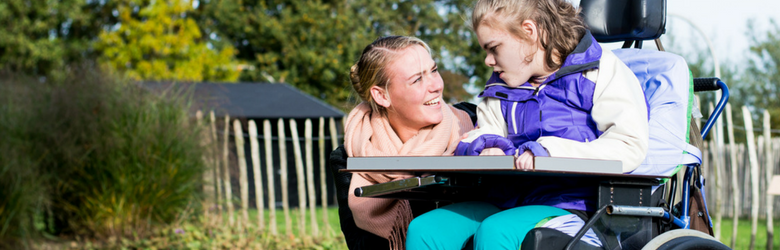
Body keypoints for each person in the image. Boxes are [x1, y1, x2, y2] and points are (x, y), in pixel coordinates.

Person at [406, 0, 649, 249]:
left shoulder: (600, 71)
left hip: (577, 208)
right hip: (507, 201)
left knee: (498, 230)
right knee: (425, 230)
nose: (489, 61)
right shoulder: (499, 87)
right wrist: (486, 147)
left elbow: (629, 146)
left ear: (528, 31)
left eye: (494, 48)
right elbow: (482, 132)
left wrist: (550, 151)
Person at [332, 35, 476, 250]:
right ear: (382, 96)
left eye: (434, 70)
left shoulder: (474, 122)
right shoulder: (350, 157)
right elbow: (361, 244)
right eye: (417, 79)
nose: (436, 85)